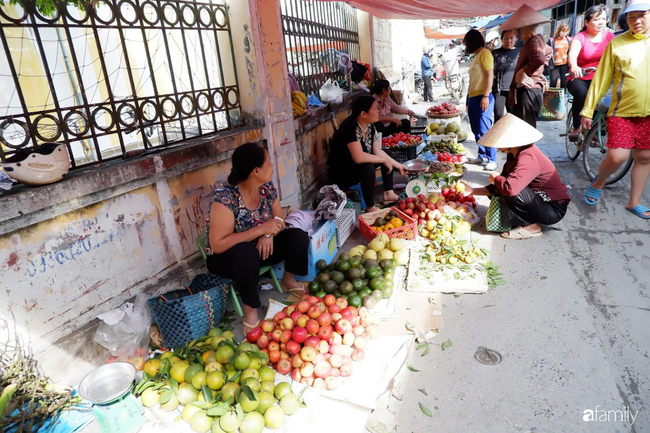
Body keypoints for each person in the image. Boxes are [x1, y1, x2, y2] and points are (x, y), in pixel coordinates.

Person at [205, 143, 310, 333]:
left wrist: (268, 233)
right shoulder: (225, 198)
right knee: (245, 252)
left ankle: (289, 280)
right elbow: (218, 245)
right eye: (269, 163)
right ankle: (251, 309)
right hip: (227, 257)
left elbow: (279, 218)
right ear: (255, 170)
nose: (272, 166)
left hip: (260, 249)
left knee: (298, 236)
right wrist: (260, 230)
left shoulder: (266, 187)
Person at [581, 0, 650, 218]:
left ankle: (634, 202)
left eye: (642, 15)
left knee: (645, 157)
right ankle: (599, 181)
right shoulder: (617, 43)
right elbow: (601, 80)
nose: (636, 21)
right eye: (631, 17)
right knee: (617, 157)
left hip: (648, 115)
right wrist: (587, 109)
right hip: (622, 112)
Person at [462, 114, 571, 239]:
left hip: (552, 210)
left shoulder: (528, 157)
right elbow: (499, 185)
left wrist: (496, 178)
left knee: (510, 187)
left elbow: (510, 188)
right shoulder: (514, 153)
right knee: (504, 183)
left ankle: (532, 226)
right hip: (538, 201)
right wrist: (472, 191)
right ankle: (527, 219)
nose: (496, 147)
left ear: (511, 142)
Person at [328, 95, 408, 212]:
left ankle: (388, 193)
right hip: (341, 172)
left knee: (386, 152)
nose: (378, 111)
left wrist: (399, 165)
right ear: (363, 114)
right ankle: (370, 207)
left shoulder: (369, 126)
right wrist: (383, 160)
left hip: (355, 166)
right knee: (368, 166)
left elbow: (377, 151)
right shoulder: (350, 127)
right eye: (375, 108)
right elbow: (359, 157)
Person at [500, 4, 553, 128]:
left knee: (526, 131)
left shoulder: (533, 42)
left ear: (525, 27)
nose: (514, 32)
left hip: (528, 91)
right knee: (524, 129)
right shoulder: (535, 40)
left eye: (516, 29)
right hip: (529, 90)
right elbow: (548, 51)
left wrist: (524, 72)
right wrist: (538, 71)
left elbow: (539, 58)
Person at [566, 5, 615, 135]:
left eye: (603, 19)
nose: (601, 22)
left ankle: (596, 129)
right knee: (582, 93)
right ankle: (576, 127)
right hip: (580, 77)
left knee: (606, 98)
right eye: (597, 19)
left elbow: (618, 53)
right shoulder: (580, 38)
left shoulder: (609, 37)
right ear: (586, 22)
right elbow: (572, 56)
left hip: (600, 77)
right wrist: (574, 66)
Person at [463, 30, 497, 171]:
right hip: (473, 97)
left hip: (483, 97)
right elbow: (473, 80)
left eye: (466, 43)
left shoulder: (485, 53)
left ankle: (492, 159)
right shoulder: (476, 56)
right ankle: (482, 155)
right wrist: (467, 101)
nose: (465, 47)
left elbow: (490, 75)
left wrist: (485, 96)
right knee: (476, 129)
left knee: (485, 129)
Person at [492, 29, 520, 122]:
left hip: (514, 91)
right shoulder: (495, 53)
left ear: (515, 39)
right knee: (498, 116)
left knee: (513, 117)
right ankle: (497, 136)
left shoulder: (519, 53)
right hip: (498, 90)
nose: (509, 41)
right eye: (506, 38)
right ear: (501, 39)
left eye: (511, 38)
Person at [548, 23, 572, 89]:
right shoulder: (552, 40)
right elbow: (546, 51)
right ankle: (552, 98)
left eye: (566, 31)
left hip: (565, 64)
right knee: (553, 83)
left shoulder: (569, 40)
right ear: (559, 30)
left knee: (564, 83)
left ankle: (563, 98)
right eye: (563, 31)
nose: (564, 33)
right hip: (554, 65)